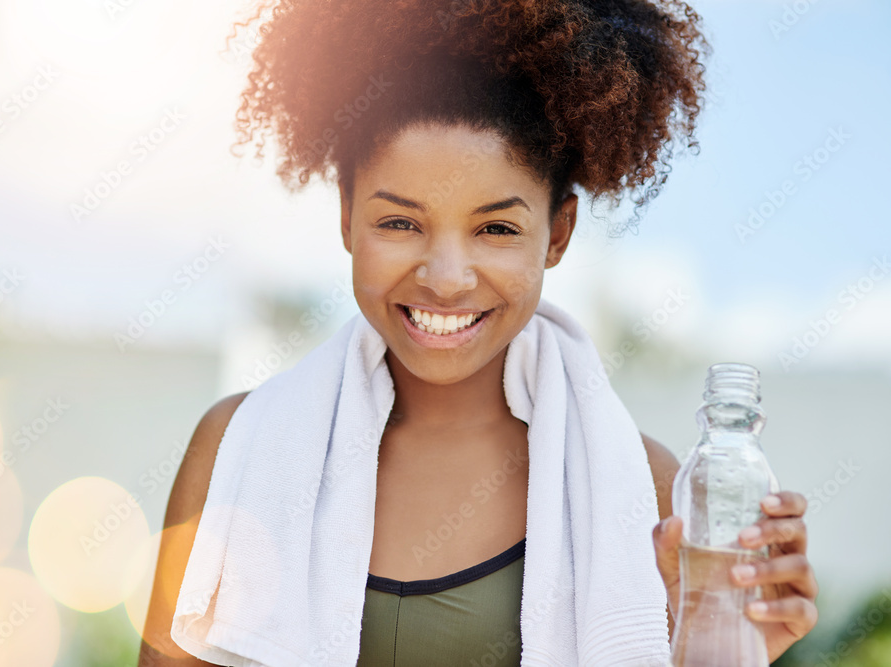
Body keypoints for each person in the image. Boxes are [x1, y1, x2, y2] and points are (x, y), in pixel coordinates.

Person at [139, 0, 818, 664]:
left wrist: (736, 647)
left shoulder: (649, 490)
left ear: (557, 235)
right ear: (346, 216)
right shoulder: (238, 447)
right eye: (400, 222)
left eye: (496, 228)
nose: (446, 277)